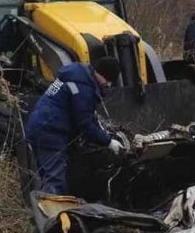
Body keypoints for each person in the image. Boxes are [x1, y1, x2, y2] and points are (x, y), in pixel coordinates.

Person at [26, 56, 126, 195]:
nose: (108, 85)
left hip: (40, 126)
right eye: (108, 80)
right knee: (55, 180)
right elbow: (84, 121)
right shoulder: (82, 87)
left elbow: (85, 115)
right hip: (50, 131)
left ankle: (43, 207)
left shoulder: (78, 76)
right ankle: (50, 214)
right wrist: (108, 141)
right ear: (102, 74)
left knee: (47, 175)